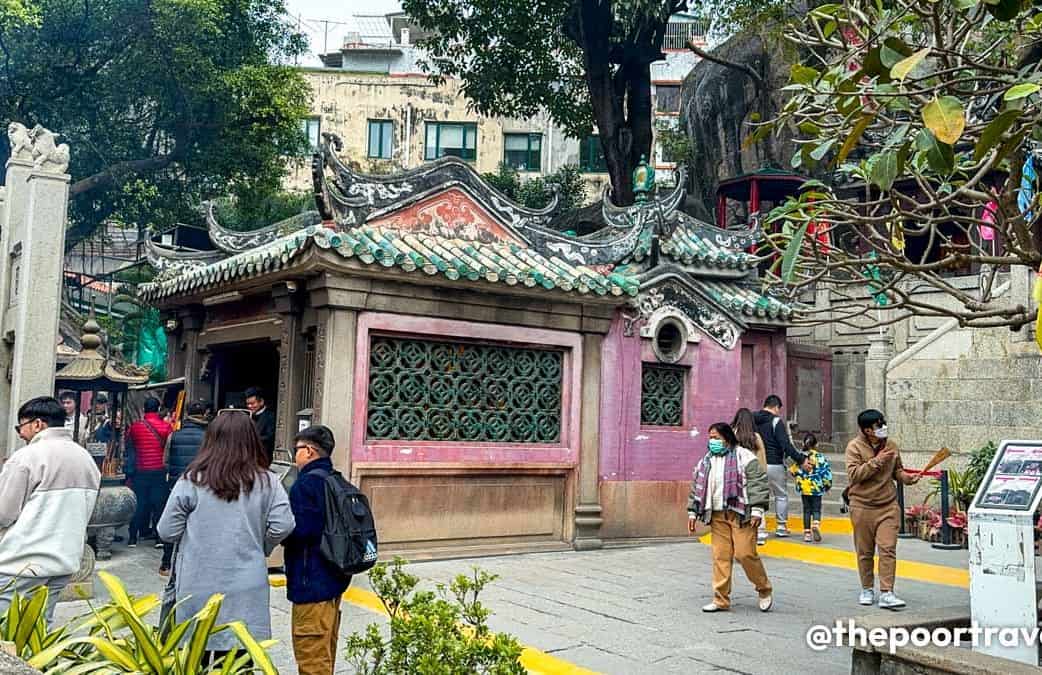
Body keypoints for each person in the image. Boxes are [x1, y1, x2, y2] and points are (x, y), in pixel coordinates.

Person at [157, 411, 295, 664]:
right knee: (240, 658)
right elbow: (283, 525)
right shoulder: (268, 482)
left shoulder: (192, 479)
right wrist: (261, 546)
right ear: (252, 440)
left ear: (210, 440)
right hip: (247, 584)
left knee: (196, 657)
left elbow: (166, 530)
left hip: (197, 583)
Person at [0, 397, 100, 623]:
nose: (20, 434)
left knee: (6, 630)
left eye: (21, 426)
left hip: (21, 563)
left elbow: (4, 513)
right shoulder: (85, 458)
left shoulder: (27, 457)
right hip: (63, 562)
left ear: (38, 424)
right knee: (39, 629)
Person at [284, 425, 352, 675]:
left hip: (310, 582)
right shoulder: (336, 479)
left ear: (310, 451)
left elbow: (302, 532)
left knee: (311, 657)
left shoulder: (305, 485)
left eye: (297, 449)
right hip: (334, 579)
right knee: (325, 652)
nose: (296, 455)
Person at [687, 422, 773, 613]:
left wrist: (757, 509)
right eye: (710, 438)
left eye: (716, 438)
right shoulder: (705, 461)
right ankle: (720, 599)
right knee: (721, 556)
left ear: (727, 438)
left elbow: (758, 482)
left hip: (740, 513)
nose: (713, 441)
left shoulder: (744, 456)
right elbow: (696, 488)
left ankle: (764, 588)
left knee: (745, 554)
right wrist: (692, 512)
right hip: (717, 515)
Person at [846, 409, 919, 610]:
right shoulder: (854, 447)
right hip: (862, 506)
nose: (883, 427)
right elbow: (854, 475)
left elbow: (897, 470)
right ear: (867, 430)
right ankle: (867, 588)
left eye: (883, 423)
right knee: (865, 551)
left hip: (887, 505)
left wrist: (907, 478)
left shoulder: (891, 446)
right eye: (879, 425)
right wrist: (878, 461)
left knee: (888, 549)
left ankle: (887, 592)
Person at [159, 401, 210, 576]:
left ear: (187, 414)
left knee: (174, 520)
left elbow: (165, 460)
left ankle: (166, 563)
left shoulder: (174, 436)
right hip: (201, 487)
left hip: (175, 484)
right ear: (205, 414)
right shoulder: (209, 437)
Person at [753, 395, 808, 538]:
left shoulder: (752, 419)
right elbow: (786, 445)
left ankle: (760, 531)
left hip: (756, 463)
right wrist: (801, 460)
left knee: (758, 496)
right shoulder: (776, 421)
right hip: (774, 463)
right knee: (781, 495)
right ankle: (781, 527)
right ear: (776, 407)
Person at [125, 397, 173, 547]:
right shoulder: (166, 427)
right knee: (159, 505)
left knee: (139, 504)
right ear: (158, 409)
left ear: (144, 409)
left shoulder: (135, 427)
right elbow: (169, 448)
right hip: (159, 471)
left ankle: (133, 538)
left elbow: (129, 445)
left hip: (140, 471)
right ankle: (159, 538)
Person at [731, 408, 770, 546]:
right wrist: (763, 477)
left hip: (735, 475)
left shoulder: (731, 435)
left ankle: (738, 531)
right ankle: (760, 531)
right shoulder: (755, 437)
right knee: (756, 501)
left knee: (737, 504)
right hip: (752, 474)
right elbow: (762, 459)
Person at [789, 433, 833, 543]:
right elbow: (826, 473)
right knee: (816, 509)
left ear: (803, 444)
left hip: (805, 489)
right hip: (817, 489)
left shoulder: (801, 458)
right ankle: (816, 524)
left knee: (806, 510)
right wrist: (827, 485)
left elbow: (793, 471)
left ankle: (807, 534)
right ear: (816, 445)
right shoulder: (820, 458)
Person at [245, 387, 276, 465]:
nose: (249, 406)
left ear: (261, 402)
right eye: (248, 404)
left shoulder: (270, 416)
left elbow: (269, 437)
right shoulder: (247, 416)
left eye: (252, 403)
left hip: (263, 459)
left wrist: (251, 439)